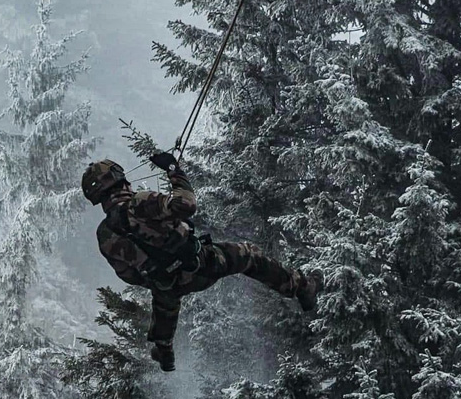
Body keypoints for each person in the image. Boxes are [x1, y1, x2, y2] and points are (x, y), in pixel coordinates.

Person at [82, 154, 323, 372]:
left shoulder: (104, 235)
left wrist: (161, 271)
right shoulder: (140, 202)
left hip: (169, 284)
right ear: (121, 180)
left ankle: (165, 352)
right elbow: (187, 205)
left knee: (164, 300)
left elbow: (127, 275)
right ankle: (301, 287)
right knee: (249, 255)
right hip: (201, 265)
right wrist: (175, 170)